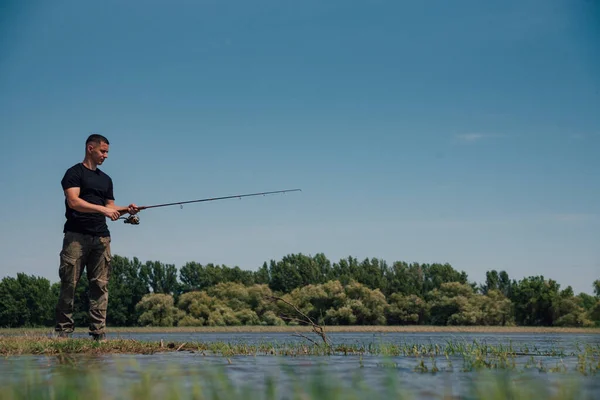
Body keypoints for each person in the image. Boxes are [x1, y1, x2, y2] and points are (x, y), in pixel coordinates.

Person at [55, 134, 139, 341]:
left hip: (102, 238)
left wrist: (127, 209)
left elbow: (111, 208)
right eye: (103, 151)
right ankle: (63, 333)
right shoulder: (73, 173)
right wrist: (103, 210)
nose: (106, 156)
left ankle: (98, 335)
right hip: (76, 237)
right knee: (69, 284)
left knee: (100, 286)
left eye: (107, 152)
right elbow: (74, 202)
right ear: (90, 148)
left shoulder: (106, 179)